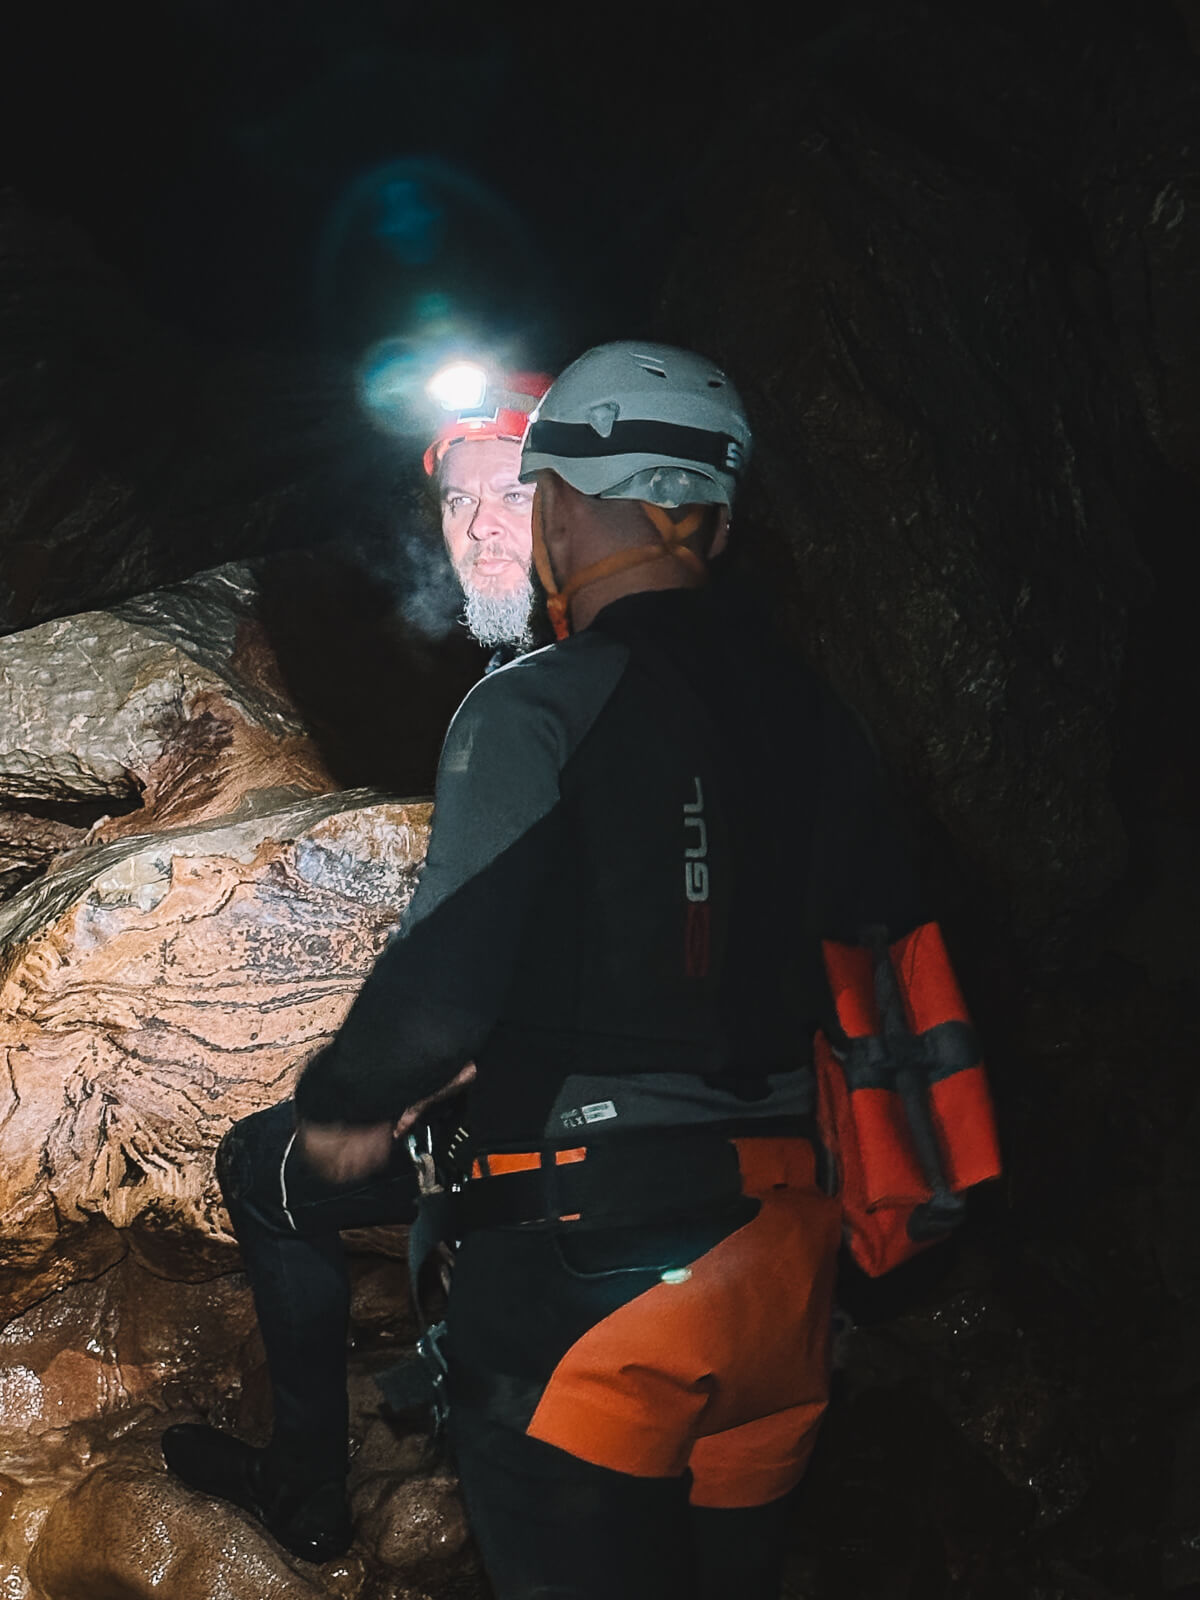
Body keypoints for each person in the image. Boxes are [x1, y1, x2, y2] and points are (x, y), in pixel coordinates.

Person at [283, 342, 929, 1598]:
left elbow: (445, 984)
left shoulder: (540, 702)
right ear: (716, 519)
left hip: (596, 1274)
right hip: (787, 1271)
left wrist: (342, 1106)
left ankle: (300, 1477)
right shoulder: (817, 711)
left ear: (567, 502)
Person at [161, 367, 551, 1563]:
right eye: (456, 502)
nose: (480, 523)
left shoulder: (543, 698)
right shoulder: (618, 661)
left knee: (264, 1167)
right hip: (660, 1123)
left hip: (586, 1140)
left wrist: (374, 1090)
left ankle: (307, 1486)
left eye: (515, 493)